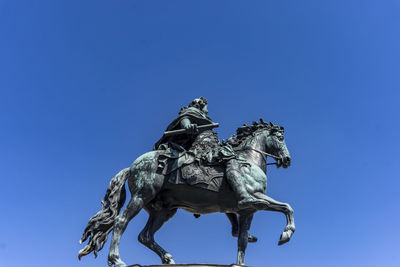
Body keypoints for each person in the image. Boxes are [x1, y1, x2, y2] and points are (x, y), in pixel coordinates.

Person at [154, 97, 261, 209]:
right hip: (204, 146)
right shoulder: (192, 111)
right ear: (200, 104)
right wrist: (188, 127)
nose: (208, 110)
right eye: (206, 106)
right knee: (230, 158)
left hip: (212, 145)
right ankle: (242, 195)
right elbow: (184, 120)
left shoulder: (203, 116)